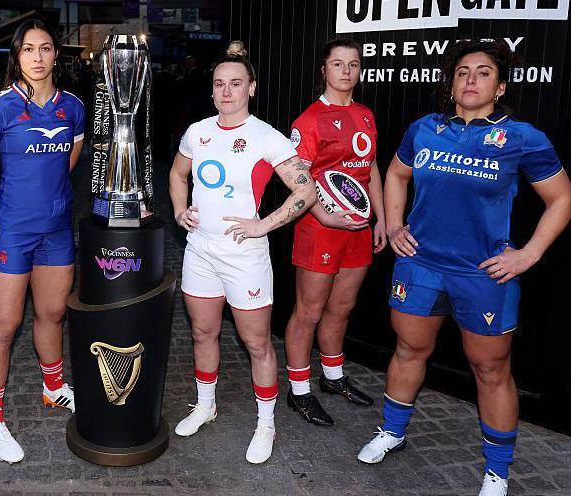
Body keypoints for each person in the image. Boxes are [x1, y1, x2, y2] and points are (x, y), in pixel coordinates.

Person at [356, 40, 571, 496]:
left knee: (491, 369)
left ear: (501, 85)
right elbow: (395, 175)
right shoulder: (425, 129)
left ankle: (497, 471)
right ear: (451, 84)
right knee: (409, 351)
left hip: (483, 275)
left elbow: (561, 200)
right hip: (420, 267)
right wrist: (393, 224)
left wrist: (528, 253)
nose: (471, 79)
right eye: (462, 72)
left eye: (483, 72)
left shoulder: (522, 137)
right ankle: (392, 432)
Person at [169, 41, 316, 464]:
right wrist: (180, 210)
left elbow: (306, 190)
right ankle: (205, 405)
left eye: (235, 83)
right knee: (202, 333)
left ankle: (266, 422)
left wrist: (263, 225)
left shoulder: (266, 136)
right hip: (200, 250)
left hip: (244, 256)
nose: (226, 91)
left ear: (252, 87)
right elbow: (178, 174)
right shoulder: (198, 131)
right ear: (212, 90)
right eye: (219, 84)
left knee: (256, 344)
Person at [0, 18, 85, 464]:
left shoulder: (72, 106)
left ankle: (53, 388)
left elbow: (69, 157)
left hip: (55, 230)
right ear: (16, 56)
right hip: (11, 231)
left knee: (52, 314)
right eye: (29, 49)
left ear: (57, 54)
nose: (38, 57)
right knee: (3, 325)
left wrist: (46, 202)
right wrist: (9, 211)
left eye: (46, 48)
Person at [283, 39, 386, 427]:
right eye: (338, 64)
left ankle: (332, 377)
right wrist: (327, 217)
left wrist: (380, 219)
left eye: (353, 64)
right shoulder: (309, 120)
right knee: (307, 312)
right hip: (320, 229)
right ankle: (299, 391)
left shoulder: (365, 114)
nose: (346, 71)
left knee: (341, 309)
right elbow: (299, 180)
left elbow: (371, 168)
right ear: (324, 70)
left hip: (357, 231)